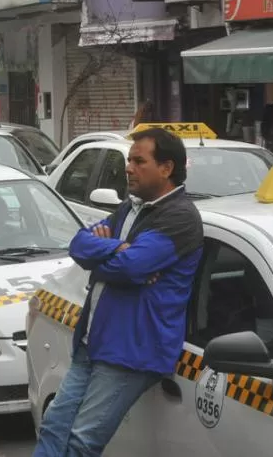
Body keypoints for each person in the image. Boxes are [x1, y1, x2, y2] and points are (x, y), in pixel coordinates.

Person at [33, 128, 204, 457]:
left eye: (139, 161)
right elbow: (79, 244)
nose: (128, 167)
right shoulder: (132, 208)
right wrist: (117, 249)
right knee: (54, 426)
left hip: (131, 352)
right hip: (93, 342)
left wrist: (102, 262)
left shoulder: (179, 217)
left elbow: (128, 267)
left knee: (81, 441)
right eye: (129, 160)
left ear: (166, 168)